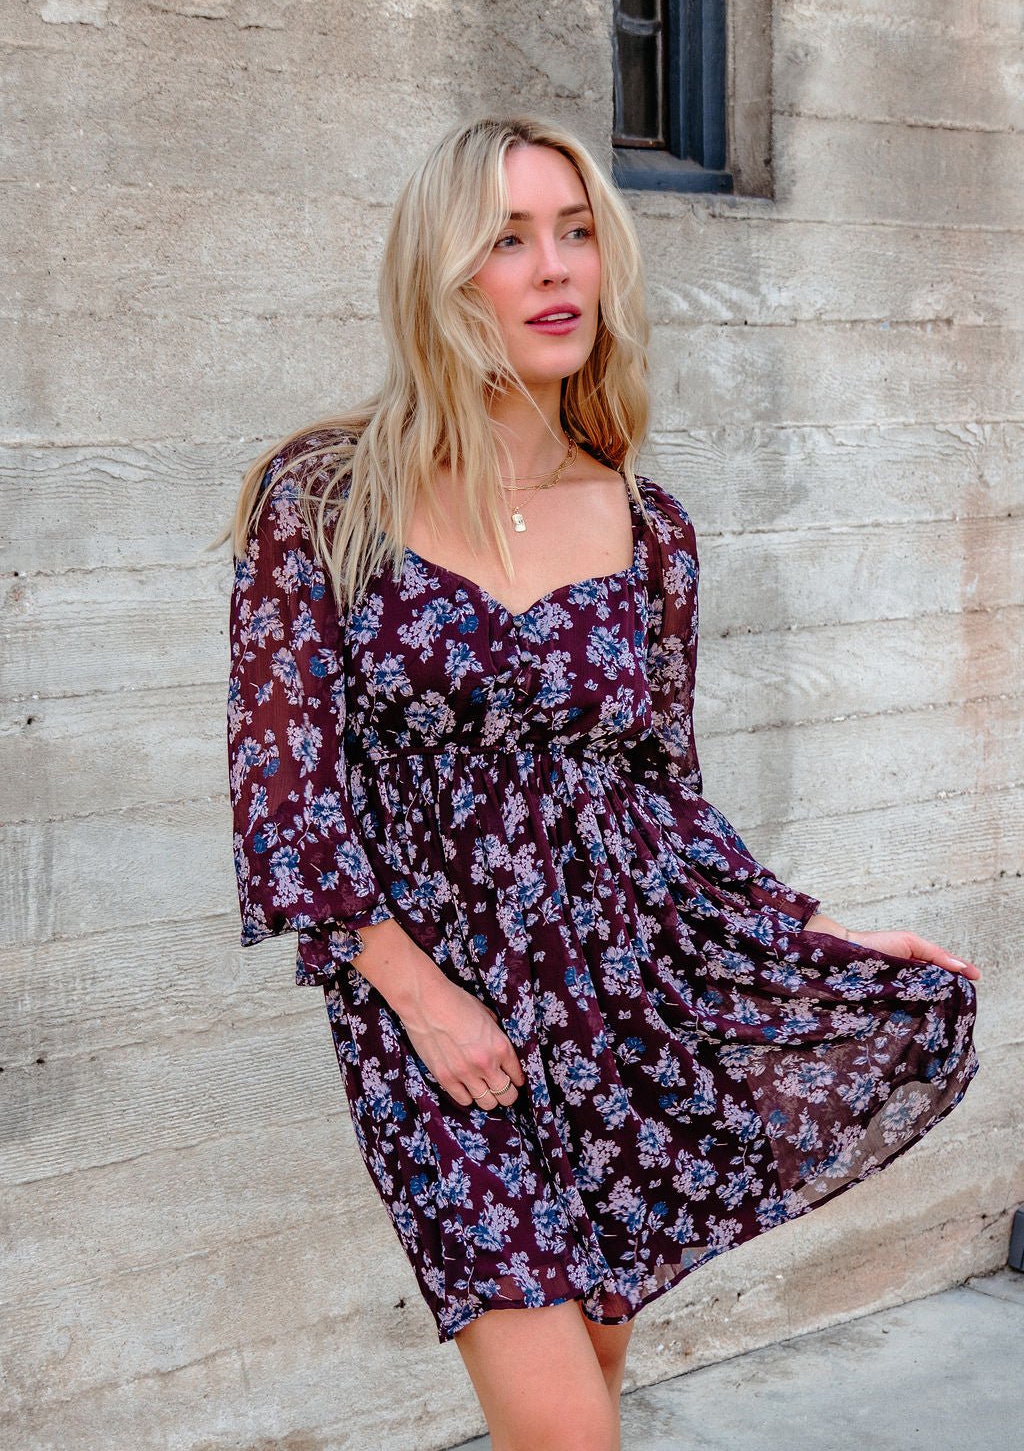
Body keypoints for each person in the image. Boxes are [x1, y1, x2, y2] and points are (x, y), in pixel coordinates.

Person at [223, 114, 981, 1451]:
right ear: (443, 278)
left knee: (590, 1403)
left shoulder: (649, 529)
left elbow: (668, 800)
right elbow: (289, 796)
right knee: (568, 1430)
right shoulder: (322, 503)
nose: (555, 266)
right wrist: (422, 997)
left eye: (576, 233)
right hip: (433, 1024)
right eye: (509, 241)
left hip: (617, 998)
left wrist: (803, 934)